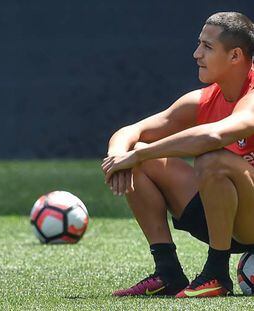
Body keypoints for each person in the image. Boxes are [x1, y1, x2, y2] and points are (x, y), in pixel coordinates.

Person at [102, 11, 254, 298]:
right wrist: (118, 156)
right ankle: (168, 274)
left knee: (212, 159)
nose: (197, 54)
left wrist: (139, 153)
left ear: (235, 56)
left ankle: (216, 274)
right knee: (139, 159)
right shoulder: (203, 99)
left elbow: (214, 136)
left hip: (251, 219)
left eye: (207, 47)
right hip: (225, 217)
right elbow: (131, 131)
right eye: (199, 44)